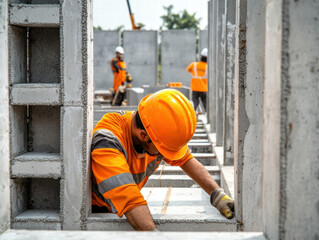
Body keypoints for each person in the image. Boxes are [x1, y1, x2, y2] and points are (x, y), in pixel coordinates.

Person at [91, 89, 234, 231]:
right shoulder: (108, 141)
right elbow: (129, 199)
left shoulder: (154, 128)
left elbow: (185, 159)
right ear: (143, 135)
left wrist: (217, 194)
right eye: (163, 151)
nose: (167, 156)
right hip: (96, 211)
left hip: (124, 208)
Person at [187, 48, 208, 113]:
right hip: (204, 88)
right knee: (205, 104)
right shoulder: (207, 66)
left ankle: (193, 116)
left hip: (195, 88)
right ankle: (207, 116)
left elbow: (188, 69)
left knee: (195, 104)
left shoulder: (194, 65)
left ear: (201, 56)